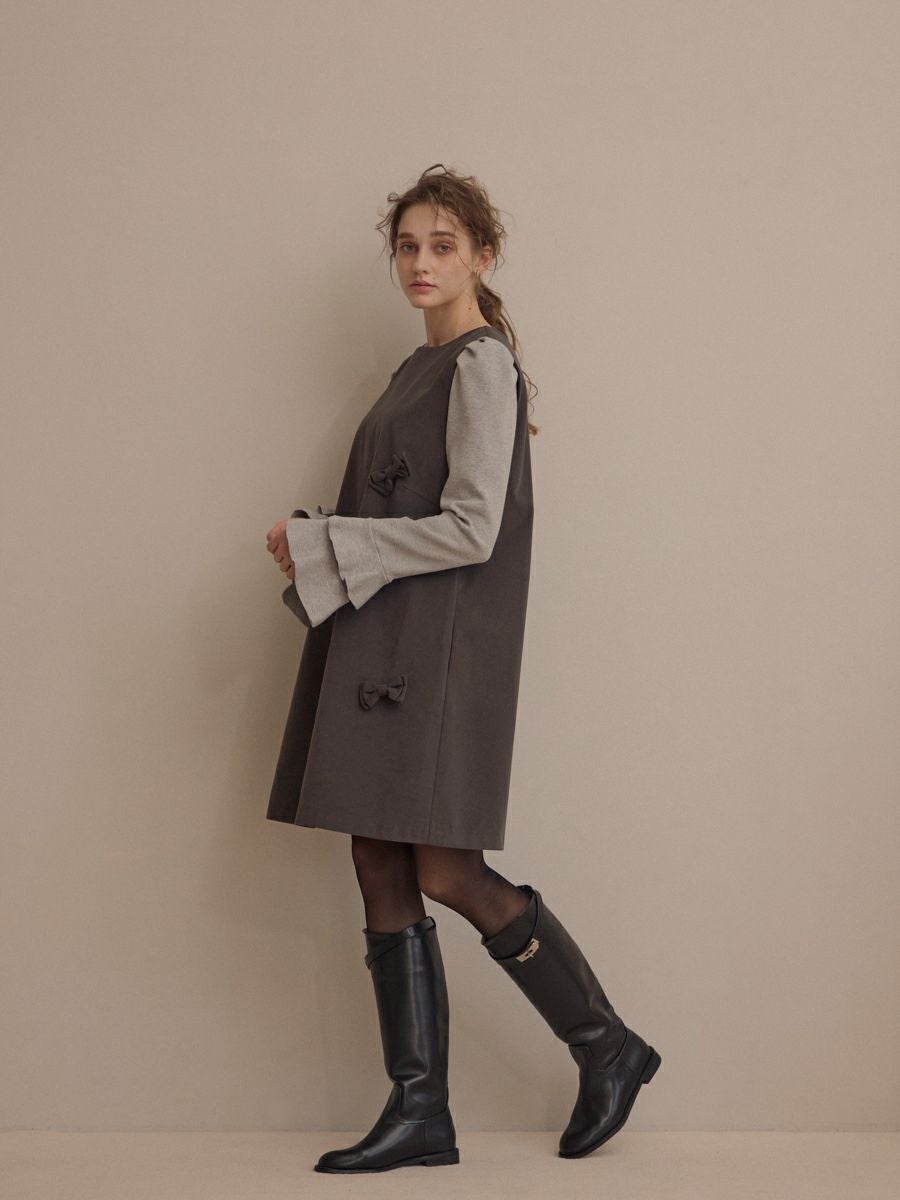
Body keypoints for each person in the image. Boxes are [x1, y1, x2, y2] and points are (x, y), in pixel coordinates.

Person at [264, 164, 661, 1173]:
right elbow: (410, 506)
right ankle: (420, 1110)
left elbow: (473, 528)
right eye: (408, 246)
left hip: (434, 652)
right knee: (376, 852)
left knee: (441, 867)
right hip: (390, 640)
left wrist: (331, 543)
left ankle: (605, 1044)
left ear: (483, 256)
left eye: (443, 246)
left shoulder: (481, 365)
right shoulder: (418, 365)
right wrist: (320, 537)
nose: (422, 263)